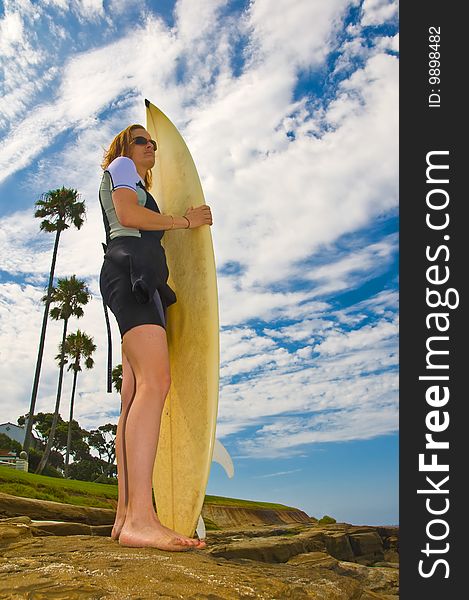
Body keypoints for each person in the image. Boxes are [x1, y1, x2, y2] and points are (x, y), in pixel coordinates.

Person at [99, 123, 212, 551]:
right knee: (155, 384)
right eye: (143, 140)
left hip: (126, 273)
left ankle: (126, 516)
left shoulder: (124, 173)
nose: (152, 147)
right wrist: (185, 221)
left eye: (154, 143)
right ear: (125, 147)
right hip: (133, 274)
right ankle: (141, 520)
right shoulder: (122, 166)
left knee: (132, 395)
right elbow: (128, 215)